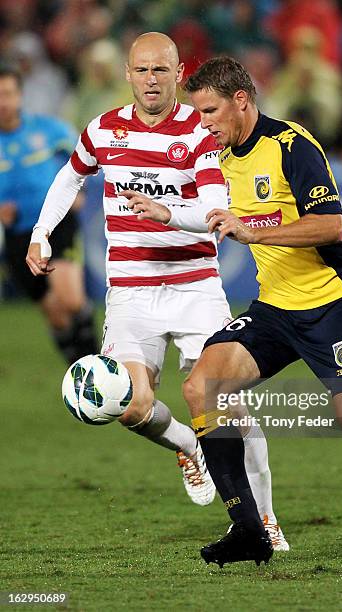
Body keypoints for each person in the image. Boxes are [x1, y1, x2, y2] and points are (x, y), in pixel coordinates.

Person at [163, 56, 342, 572]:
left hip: (336, 298)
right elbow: (204, 209)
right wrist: (165, 211)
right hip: (277, 306)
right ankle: (250, 530)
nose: (202, 122)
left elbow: (331, 227)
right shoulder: (219, 158)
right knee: (203, 385)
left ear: (241, 101)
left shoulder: (291, 145)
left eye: (209, 110)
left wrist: (254, 232)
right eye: (197, 112)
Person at [25, 33, 288, 550]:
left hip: (195, 289)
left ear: (178, 72)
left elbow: (214, 212)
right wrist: (41, 231)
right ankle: (191, 447)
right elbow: (69, 178)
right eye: (142, 70)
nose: (151, 79)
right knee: (129, 405)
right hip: (130, 291)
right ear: (128, 74)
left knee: (227, 404)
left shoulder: (199, 132)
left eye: (161, 71)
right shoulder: (103, 129)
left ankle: (263, 518)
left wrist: (168, 212)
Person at [0, 64, 98, 365]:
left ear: (20, 96)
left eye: (8, 94)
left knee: (70, 298)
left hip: (57, 224)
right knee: (54, 313)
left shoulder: (48, 129)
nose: (3, 102)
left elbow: (86, 156)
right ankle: (79, 373)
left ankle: (99, 364)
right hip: (17, 234)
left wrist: (78, 192)